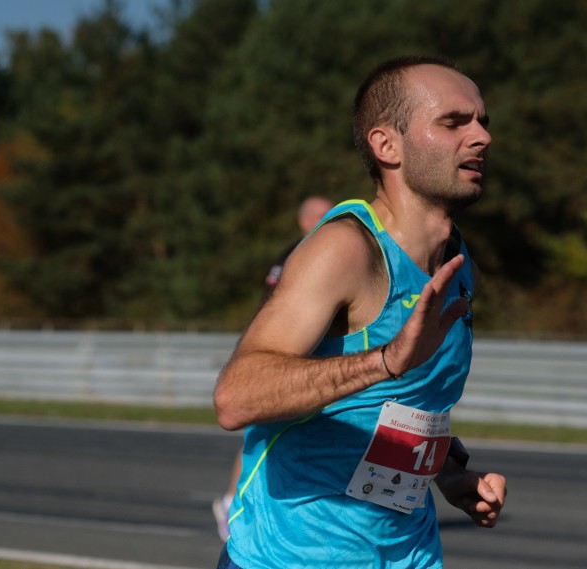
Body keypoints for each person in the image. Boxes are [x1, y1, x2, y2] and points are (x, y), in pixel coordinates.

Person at [213, 55, 507, 568]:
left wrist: (447, 474)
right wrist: (385, 359)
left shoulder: (459, 269)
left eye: (482, 121)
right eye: (454, 122)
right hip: (292, 557)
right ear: (386, 145)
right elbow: (236, 398)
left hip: (406, 553)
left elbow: (403, 406)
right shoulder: (346, 250)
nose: (481, 137)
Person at [212, 195, 334, 541]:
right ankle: (232, 501)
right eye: (321, 216)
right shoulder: (297, 256)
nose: (329, 220)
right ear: (304, 222)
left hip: (308, 355)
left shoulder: (330, 252)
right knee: (262, 431)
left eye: (331, 214)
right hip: (287, 355)